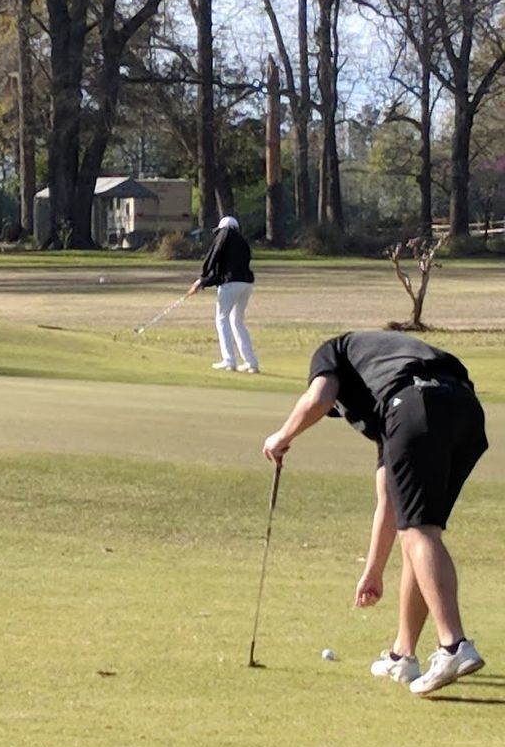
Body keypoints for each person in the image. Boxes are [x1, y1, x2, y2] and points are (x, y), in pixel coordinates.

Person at [261, 331, 488, 695]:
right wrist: (373, 571)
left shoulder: (332, 350)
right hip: (465, 412)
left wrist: (281, 437)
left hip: (416, 403)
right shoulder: (384, 378)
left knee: (419, 533)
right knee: (419, 530)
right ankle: (403, 655)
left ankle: (453, 646)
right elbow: (389, 501)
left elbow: (319, 398)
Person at [187, 215, 259, 373]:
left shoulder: (224, 236)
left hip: (230, 284)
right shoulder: (242, 242)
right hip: (246, 284)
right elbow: (223, 270)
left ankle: (229, 361)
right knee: (237, 321)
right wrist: (203, 282)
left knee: (222, 319)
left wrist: (202, 280)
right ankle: (251, 363)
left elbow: (216, 265)